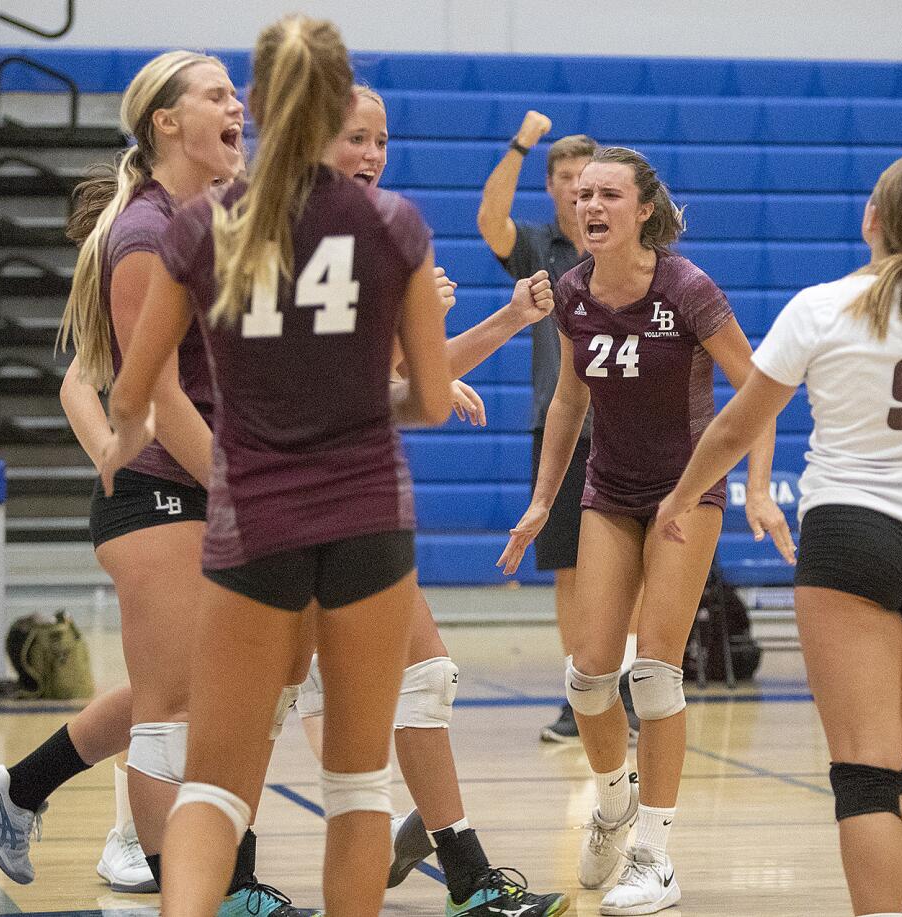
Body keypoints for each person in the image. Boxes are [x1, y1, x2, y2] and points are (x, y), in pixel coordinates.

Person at [655, 34, 902, 917]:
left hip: (848, 537)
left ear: (872, 217)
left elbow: (734, 426)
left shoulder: (817, 308)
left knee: (864, 769)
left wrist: (680, 497)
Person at [99, 14, 452, 917]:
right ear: (338, 105)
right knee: (359, 785)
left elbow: (131, 396)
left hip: (251, 521)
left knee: (216, 785)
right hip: (370, 515)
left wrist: (112, 449)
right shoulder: (392, 223)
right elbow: (433, 402)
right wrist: (362, 406)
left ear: (253, 104)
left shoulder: (199, 227)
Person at [0, 51, 314, 916]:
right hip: (165, 490)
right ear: (165, 122)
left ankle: (23, 788)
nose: (241, 107)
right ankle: (214, 888)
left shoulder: (212, 224)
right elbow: (144, 389)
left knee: (209, 691)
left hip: (201, 480)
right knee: (180, 710)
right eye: (219, 95)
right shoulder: (149, 234)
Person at [292, 84, 569, 917]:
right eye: (354, 139)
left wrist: (492, 327)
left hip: (357, 491)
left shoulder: (372, 234)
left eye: (381, 140)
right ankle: (189, 856)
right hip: (293, 498)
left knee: (424, 673)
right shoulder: (285, 240)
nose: (373, 154)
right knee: (236, 700)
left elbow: (399, 385)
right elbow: (318, 386)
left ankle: (466, 871)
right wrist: (411, 359)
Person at [499, 146, 792, 916]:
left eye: (607, 195)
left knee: (654, 673)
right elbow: (567, 403)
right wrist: (540, 501)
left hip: (685, 493)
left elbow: (758, 389)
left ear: (645, 211)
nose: (589, 205)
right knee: (588, 674)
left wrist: (758, 487)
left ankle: (655, 855)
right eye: (582, 194)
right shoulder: (572, 291)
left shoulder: (686, 288)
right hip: (609, 489)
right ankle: (611, 801)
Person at [477, 117, 643, 743]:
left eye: (589, 179)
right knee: (570, 568)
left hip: (631, 428)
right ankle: (581, 696)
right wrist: (519, 144)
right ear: (551, 188)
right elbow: (490, 221)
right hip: (562, 431)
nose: (580, 191)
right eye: (568, 180)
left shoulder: (634, 254)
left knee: (638, 570)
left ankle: (629, 688)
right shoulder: (540, 248)